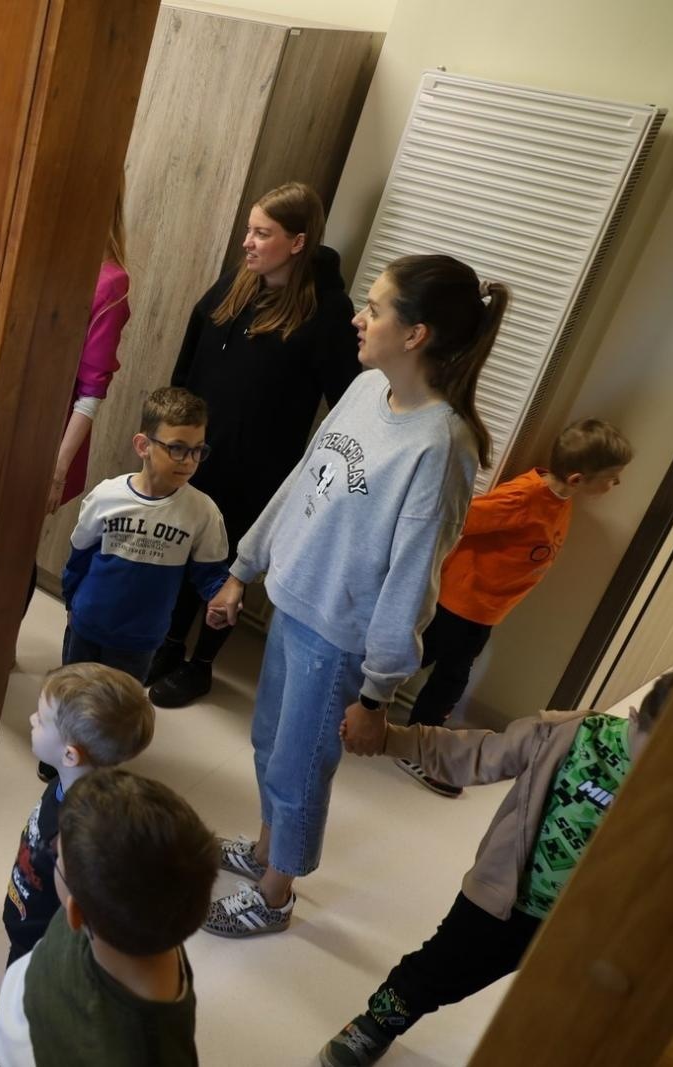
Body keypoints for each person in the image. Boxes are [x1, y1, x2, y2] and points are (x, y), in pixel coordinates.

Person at [202, 254, 509, 938]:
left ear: (416, 334)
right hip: (292, 603)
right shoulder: (366, 390)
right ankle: (262, 851)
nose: (357, 317)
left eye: (374, 307)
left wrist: (376, 695)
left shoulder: (440, 446)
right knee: (269, 743)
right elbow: (303, 480)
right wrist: (243, 568)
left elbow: (413, 580)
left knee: (301, 767)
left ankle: (275, 895)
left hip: (338, 638)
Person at [318, 663, 673, 1066]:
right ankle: (376, 1025)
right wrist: (391, 739)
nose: (662, 769)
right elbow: (473, 754)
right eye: (658, 750)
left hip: (588, 926)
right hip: (509, 901)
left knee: (560, 1012)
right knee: (435, 971)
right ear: (639, 718)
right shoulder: (569, 735)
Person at [149, 181, 361, 709]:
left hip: (258, 471)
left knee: (226, 564)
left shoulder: (328, 312)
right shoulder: (237, 284)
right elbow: (190, 350)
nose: (248, 242)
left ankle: (201, 665)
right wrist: (170, 433)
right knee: (183, 550)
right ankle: (171, 644)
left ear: (297, 242)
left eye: (262, 233)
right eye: (249, 229)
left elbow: (349, 403)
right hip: (196, 453)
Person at [396, 418, 632, 797]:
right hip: (459, 605)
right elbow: (461, 518)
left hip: (481, 611)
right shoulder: (526, 497)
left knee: (436, 671)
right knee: (434, 672)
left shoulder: (559, 499)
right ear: (576, 478)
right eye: (612, 477)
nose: (616, 484)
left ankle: (390, 726)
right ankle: (414, 747)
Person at [0, 769, 219, 1067]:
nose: (51, 853)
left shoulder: (136, 1053)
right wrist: (0, 1013)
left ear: (76, 912)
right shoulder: (135, 919)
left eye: (56, 858)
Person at [57, 387, 228, 729]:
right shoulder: (107, 496)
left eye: (197, 451)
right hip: (88, 624)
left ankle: (99, 770)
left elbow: (211, 573)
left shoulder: (202, 512)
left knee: (116, 713)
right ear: (143, 446)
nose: (189, 461)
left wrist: (220, 597)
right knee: (72, 696)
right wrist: (72, 601)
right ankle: (59, 757)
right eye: (177, 448)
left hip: (140, 637)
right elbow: (79, 556)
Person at [3, 663, 154, 965]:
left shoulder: (85, 835)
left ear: (70, 754)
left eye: (42, 720)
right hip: (26, 915)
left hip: (43, 950)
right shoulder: (65, 782)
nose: (32, 719)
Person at [46, 180, 132, 516]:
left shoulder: (110, 282)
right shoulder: (53, 257)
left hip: (48, 435)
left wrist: (57, 471)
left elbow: (92, 390)